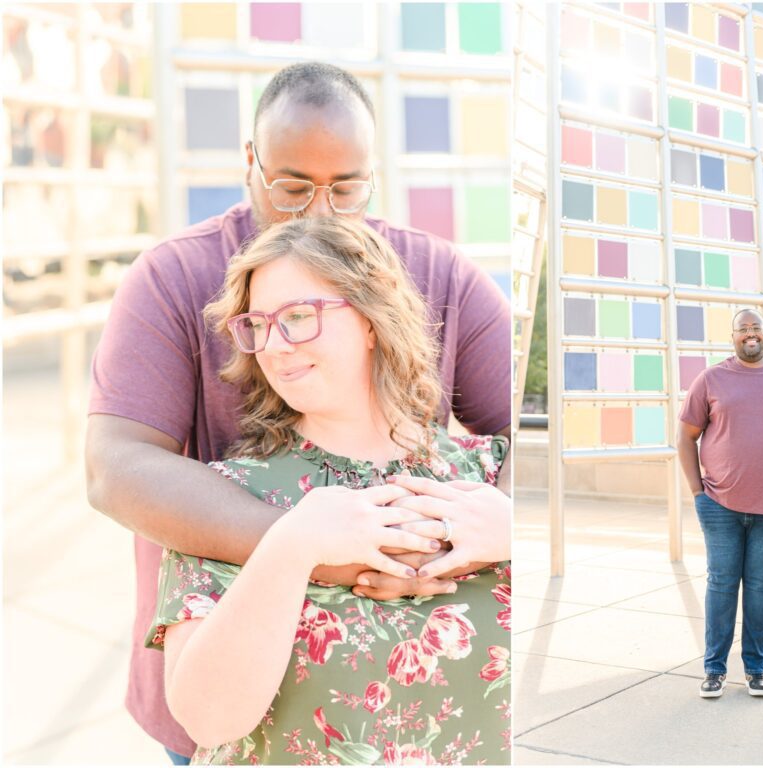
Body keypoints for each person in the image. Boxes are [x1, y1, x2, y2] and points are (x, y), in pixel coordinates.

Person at [85, 62, 511, 763]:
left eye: (345, 188)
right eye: (291, 188)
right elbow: (115, 467)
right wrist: (311, 547)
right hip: (245, 695)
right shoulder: (170, 280)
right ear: (250, 163)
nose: (318, 212)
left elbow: (526, 446)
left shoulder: (443, 278)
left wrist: (507, 524)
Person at [146, 216, 510, 764]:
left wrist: (517, 534)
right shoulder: (227, 498)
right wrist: (292, 546)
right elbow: (207, 720)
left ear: (370, 318)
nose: (273, 345)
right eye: (258, 325)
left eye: (297, 316)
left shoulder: (488, 480)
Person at [677, 308, 763, 699]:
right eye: (743, 328)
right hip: (719, 504)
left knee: (761, 587)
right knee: (722, 585)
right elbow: (685, 438)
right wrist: (698, 494)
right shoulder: (711, 378)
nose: (750, 333)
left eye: (756, 327)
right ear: (732, 337)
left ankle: (757, 670)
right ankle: (714, 670)